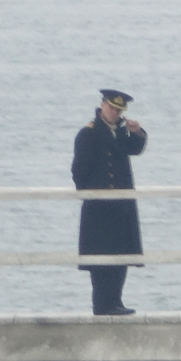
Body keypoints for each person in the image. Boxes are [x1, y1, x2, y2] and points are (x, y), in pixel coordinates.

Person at [72, 89, 148, 315]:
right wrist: (91, 194)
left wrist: (138, 132)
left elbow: (134, 148)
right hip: (99, 209)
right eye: (111, 108)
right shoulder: (89, 133)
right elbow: (79, 172)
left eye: (118, 110)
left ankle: (116, 301)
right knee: (100, 261)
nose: (114, 113)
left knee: (121, 256)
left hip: (121, 207)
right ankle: (103, 305)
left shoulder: (120, 132)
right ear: (102, 105)